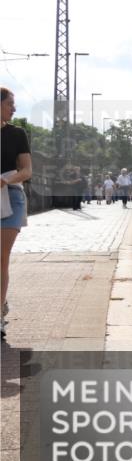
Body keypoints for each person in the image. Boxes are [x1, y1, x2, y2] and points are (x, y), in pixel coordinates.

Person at [1, 87, 32, 341]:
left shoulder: (17, 134)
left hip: (10, 196)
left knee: (2, 256)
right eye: (10, 103)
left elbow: (27, 170)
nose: (14, 108)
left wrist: (5, 180)